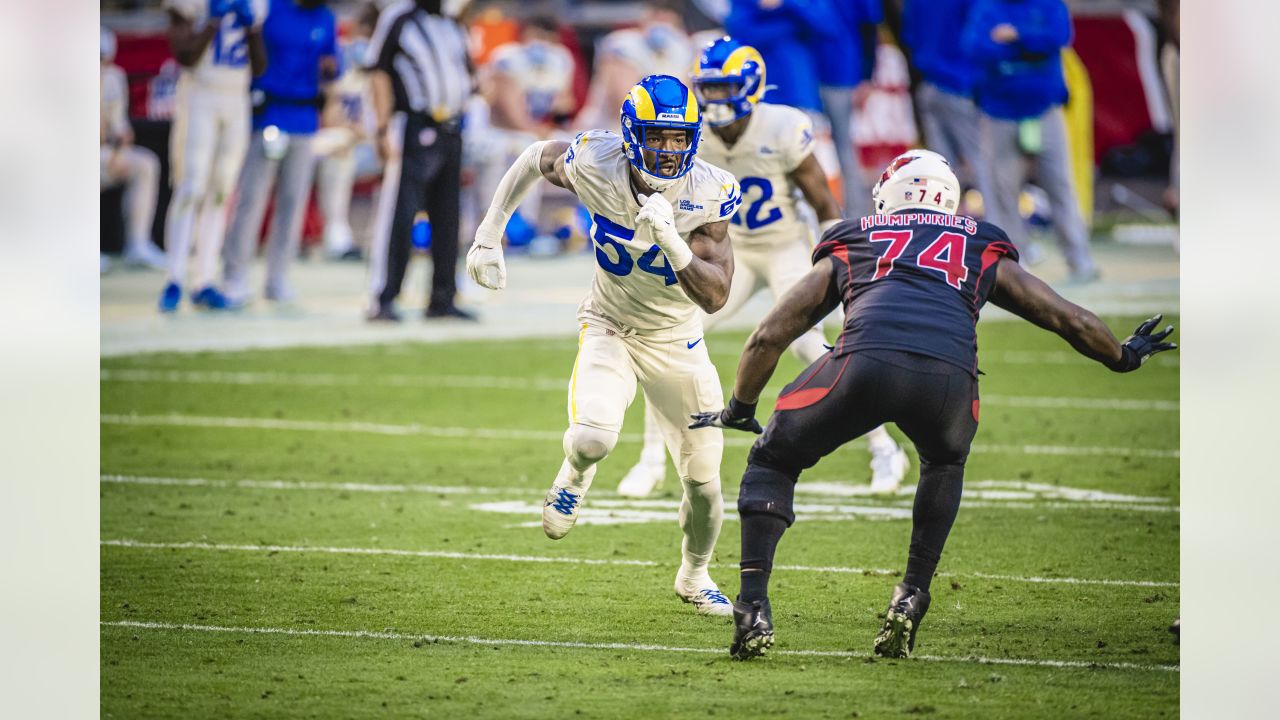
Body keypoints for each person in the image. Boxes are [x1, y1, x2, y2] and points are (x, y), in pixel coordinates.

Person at [686, 149, 1175, 660]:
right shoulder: (978, 241)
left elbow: (770, 335)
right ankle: (911, 594)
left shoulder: (856, 236)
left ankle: (753, 605)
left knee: (772, 458)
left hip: (864, 365)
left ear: (885, 197)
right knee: (943, 462)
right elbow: (1064, 317)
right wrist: (1122, 357)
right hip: (949, 382)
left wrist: (741, 407)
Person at [466, 75, 742, 616]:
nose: (669, 149)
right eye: (657, 137)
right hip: (610, 321)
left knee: (705, 486)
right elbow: (533, 158)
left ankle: (694, 575)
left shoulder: (709, 190)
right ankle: (574, 474)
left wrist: (672, 243)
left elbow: (716, 296)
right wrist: (488, 234)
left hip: (676, 338)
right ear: (632, 134)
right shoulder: (596, 161)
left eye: (679, 137)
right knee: (592, 437)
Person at [617, 37, 907, 500]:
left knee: (811, 346)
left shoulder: (783, 126)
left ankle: (883, 448)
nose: (711, 101)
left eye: (723, 88)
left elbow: (823, 202)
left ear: (750, 87)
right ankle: (651, 460)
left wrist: (840, 262)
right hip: (725, 251)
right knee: (666, 339)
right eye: (706, 89)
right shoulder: (691, 132)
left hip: (785, 247)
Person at [961, 0, 1098, 280]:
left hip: (1044, 111)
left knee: (1061, 186)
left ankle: (1080, 260)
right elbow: (975, 47)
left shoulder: (1048, 4)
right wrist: (1030, 47)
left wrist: (1017, 36)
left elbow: (1058, 37)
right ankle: (1012, 270)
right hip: (999, 113)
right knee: (1003, 193)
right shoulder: (987, 7)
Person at [220, 0, 340, 307]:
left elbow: (333, 62)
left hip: (304, 117)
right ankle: (234, 275)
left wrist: (330, 69)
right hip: (269, 112)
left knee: (293, 202)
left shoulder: (325, 17)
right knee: (252, 198)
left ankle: (278, 278)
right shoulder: (271, 8)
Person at [365, 0, 475, 322]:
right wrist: (382, 128)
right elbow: (379, 71)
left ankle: (442, 297)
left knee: (448, 216)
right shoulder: (399, 17)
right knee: (400, 212)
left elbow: (465, 72)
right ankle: (383, 296)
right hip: (413, 125)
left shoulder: (450, 24)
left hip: (451, 127)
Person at [159, 0, 268, 312]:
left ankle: (203, 280)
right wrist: (212, 22)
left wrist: (253, 29)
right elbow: (185, 56)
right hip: (200, 96)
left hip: (236, 99)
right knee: (190, 187)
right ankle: (174, 276)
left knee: (221, 192)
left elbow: (259, 66)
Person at [471, 16, 576, 247]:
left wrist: (549, 126)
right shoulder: (507, 58)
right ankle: (489, 222)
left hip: (528, 130)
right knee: (524, 148)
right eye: (537, 36)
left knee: (574, 147)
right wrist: (541, 131)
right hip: (491, 131)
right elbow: (509, 115)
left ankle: (564, 222)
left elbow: (565, 106)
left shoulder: (560, 60)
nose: (541, 43)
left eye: (547, 38)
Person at [900, 0, 990, 204]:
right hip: (960, 86)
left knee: (940, 171)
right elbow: (979, 38)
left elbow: (909, 36)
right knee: (981, 164)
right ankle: (995, 228)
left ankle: (944, 228)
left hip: (928, 85)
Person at [313, 11, 378, 261]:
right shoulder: (340, 67)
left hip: (372, 148)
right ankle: (336, 233)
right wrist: (354, 131)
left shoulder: (380, 73)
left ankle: (382, 237)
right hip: (342, 143)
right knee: (340, 150)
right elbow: (330, 119)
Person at [101, 26, 167, 271]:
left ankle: (137, 244)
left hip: (105, 154)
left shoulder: (113, 78)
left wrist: (117, 153)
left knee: (146, 164)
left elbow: (121, 129)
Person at [812, 0, 881, 219]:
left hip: (838, 70)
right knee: (813, 148)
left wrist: (866, 75)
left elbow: (869, 28)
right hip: (810, 72)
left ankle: (853, 216)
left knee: (843, 148)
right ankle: (829, 215)